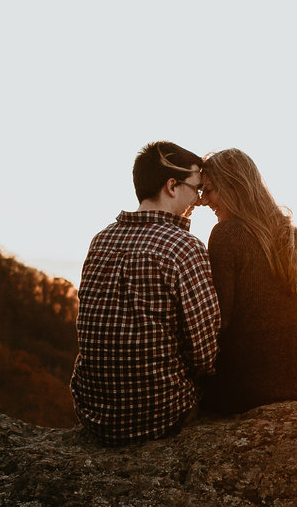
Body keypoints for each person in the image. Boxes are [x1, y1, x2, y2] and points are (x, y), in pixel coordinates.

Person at [71, 141, 220, 442]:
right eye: (197, 188)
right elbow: (206, 355)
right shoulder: (184, 247)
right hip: (158, 413)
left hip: (94, 412)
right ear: (172, 186)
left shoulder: (100, 240)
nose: (201, 200)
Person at [197, 148, 297, 415]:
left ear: (233, 186)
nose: (204, 201)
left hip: (251, 384)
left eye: (209, 190)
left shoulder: (225, 234)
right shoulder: (292, 234)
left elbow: (222, 319)